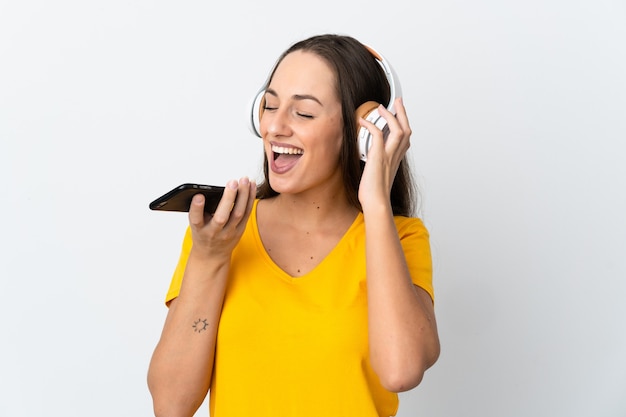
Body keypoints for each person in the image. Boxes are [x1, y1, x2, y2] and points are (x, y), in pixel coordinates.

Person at [147, 33, 440, 417]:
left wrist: (377, 204)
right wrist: (209, 259)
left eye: (303, 113)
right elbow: (170, 405)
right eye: (269, 107)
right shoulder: (221, 232)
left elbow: (401, 371)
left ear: (363, 132)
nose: (275, 127)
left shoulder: (399, 238)